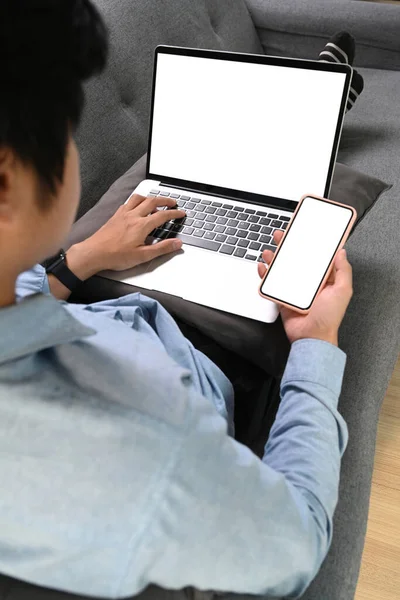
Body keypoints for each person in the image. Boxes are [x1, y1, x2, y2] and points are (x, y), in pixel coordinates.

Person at [0, 1, 356, 598]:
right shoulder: (144, 429)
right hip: (207, 360)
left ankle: (325, 94)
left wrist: (83, 258)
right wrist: (317, 343)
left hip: (109, 305)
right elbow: (297, 545)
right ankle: (328, 97)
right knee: (316, 207)